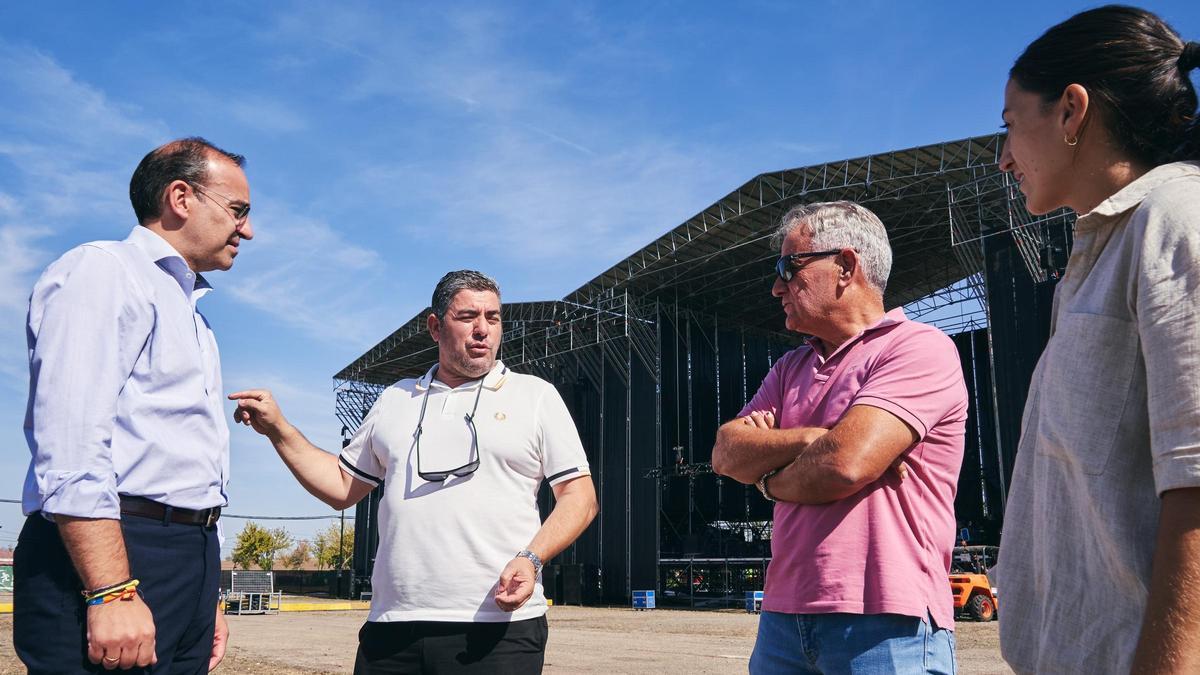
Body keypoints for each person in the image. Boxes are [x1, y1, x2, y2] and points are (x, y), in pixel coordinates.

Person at [229, 270, 599, 674]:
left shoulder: (535, 396)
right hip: (393, 629)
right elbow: (340, 486)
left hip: (498, 630)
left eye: (492, 318)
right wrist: (279, 430)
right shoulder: (396, 399)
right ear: (435, 326)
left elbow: (580, 497)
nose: (482, 330)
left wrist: (532, 558)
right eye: (468, 317)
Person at [994, 6, 1200, 673]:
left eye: (1009, 125)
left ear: (1071, 111)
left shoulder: (1175, 219)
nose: (1003, 158)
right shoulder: (1095, 258)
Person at [15, 138, 254, 673]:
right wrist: (111, 592)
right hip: (115, 550)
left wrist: (203, 591)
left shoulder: (189, 310)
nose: (248, 229)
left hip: (186, 554)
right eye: (238, 211)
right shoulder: (104, 272)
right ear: (180, 197)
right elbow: (71, 442)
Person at [711, 201, 967, 674]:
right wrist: (813, 438)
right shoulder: (791, 367)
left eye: (789, 267)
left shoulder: (918, 348)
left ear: (846, 266)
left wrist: (767, 480)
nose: (775, 287)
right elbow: (726, 453)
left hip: (886, 618)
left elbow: (845, 464)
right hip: (783, 618)